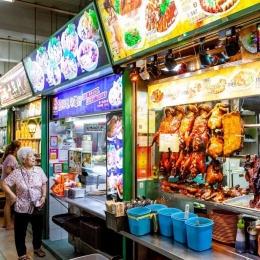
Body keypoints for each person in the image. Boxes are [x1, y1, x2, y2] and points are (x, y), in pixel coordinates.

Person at [1, 147, 48, 260]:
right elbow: (4, 183)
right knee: (20, 232)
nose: (34, 158)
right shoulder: (17, 173)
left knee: (37, 229)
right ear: (23, 159)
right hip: (22, 207)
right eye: (31, 156)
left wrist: (44, 196)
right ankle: (22, 254)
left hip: (37, 206)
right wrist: (12, 196)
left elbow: (44, 183)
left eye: (33, 156)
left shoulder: (39, 170)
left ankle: (37, 248)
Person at [0, 140, 21, 230]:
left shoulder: (9, 156)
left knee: (7, 203)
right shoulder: (12, 158)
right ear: (16, 148)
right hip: (8, 183)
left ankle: (5, 223)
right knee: (9, 203)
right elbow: (8, 171)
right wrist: (16, 173)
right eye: (20, 148)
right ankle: (9, 224)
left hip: (5, 182)